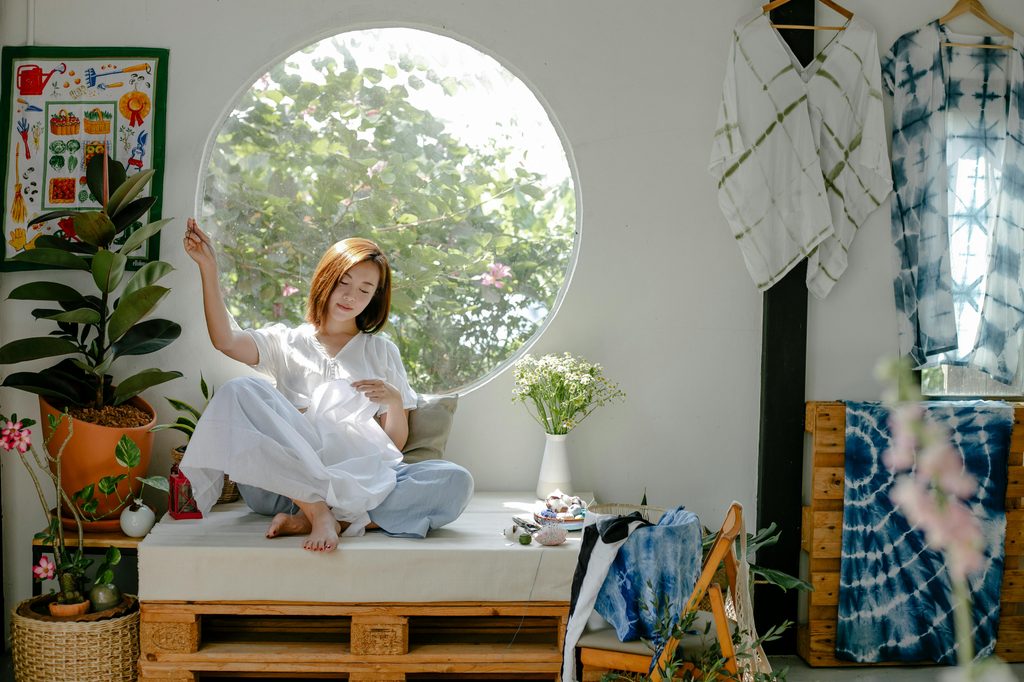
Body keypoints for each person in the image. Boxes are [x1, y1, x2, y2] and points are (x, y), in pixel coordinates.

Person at [180, 218, 474, 552]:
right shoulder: (287, 341)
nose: (351, 296)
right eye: (344, 283)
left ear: (375, 297)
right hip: (284, 489)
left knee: (455, 481)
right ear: (326, 279)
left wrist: (394, 403)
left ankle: (325, 519)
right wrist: (208, 268)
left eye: (364, 290)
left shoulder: (381, 350)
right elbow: (226, 341)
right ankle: (316, 510)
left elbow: (392, 446)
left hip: (361, 478)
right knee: (240, 390)